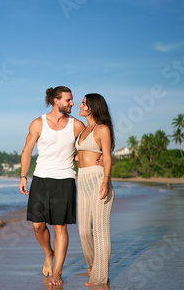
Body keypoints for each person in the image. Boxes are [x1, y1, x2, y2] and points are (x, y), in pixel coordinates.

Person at [19, 86, 85, 285]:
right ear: (56, 101)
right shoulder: (38, 123)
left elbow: (89, 147)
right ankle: (49, 253)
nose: (72, 103)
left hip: (65, 179)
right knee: (38, 226)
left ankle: (57, 271)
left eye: (72, 100)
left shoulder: (77, 125)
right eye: (69, 100)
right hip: (41, 178)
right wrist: (23, 176)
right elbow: (27, 150)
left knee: (60, 227)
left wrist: (87, 158)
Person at [75, 93, 115, 285]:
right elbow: (81, 153)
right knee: (83, 231)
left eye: (83, 103)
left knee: (100, 231)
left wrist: (106, 181)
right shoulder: (84, 130)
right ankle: (92, 264)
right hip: (81, 181)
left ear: (92, 107)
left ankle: (100, 276)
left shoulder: (102, 129)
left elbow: (106, 156)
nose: (80, 106)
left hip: (98, 180)